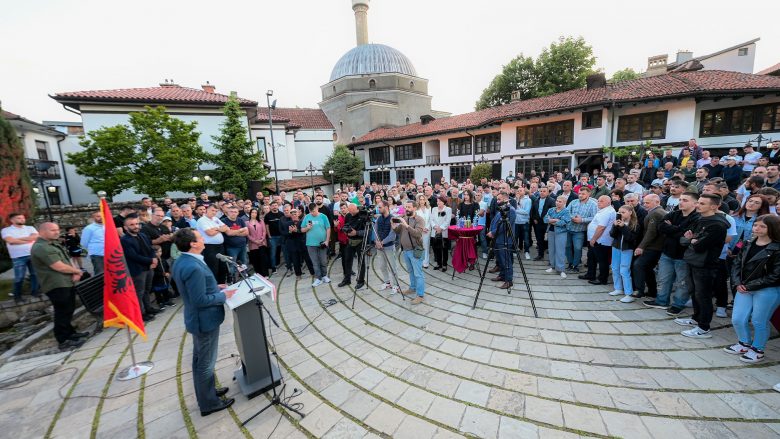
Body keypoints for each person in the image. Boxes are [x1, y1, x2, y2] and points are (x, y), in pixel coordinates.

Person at [171, 228, 235, 416]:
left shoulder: (184, 260)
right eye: (200, 238)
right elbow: (199, 300)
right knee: (205, 363)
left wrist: (215, 286)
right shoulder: (192, 266)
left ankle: (208, 392)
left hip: (198, 319)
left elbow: (198, 289)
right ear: (192, 243)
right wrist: (222, 295)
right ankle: (209, 403)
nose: (204, 240)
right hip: (203, 320)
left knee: (201, 360)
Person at [726, 215, 780, 363]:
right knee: (737, 318)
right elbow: (736, 264)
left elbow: (776, 275)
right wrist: (737, 283)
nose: (757, 228)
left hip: (767, 289)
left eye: (763, 226)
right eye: (756, 225)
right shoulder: (747, 242)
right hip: (743, 287)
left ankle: (758, 349)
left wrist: (748, 286)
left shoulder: (777, 248)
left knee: (759, 321)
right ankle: (743, 343)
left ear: (772, 228)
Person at [676, 194, 730, 339]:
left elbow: (700, 246)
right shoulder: (700, 218)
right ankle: (696, 318)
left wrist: (692, 240)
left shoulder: (717, 225)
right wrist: (691, 240)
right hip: (693, 261)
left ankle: (703, 327)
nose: (697, 205)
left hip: (705, 264)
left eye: (702, 203)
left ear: (714, 206)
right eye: (698, 202)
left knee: (703, 295)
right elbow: (684, 239)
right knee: (694, 292)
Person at [29, 222, 88, 350]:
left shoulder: (52, 244)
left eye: (57, 230)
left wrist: (74, 271)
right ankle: (63, 340)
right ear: (42, 231)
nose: (57, 232)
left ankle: (70, 333)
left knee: (69, 309)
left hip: (65, 282)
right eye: (52, 230)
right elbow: (58, 266)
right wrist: (77, 271)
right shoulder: (41, 247)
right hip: (56, 284)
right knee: (62, 311)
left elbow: (66, 260)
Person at [646, 192, 701, 314]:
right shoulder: (673, 213)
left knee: (682, 283)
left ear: (695, 203)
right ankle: (662, 301)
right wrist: (680, 229)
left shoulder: (697, 218)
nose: (681, 202)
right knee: (663, 279)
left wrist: (672, 228)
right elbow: (661, 227)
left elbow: (688, 236)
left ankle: (678, 304)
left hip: (683, 256)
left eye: (685, 200)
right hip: (667, 253)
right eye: (680, 199)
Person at [121, 215, 160, 321]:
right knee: (139, 292)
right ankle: (141, 314)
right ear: (125, 227)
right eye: (132, 225)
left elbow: (150, 249)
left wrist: (154, 258)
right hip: (137, 270)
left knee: (147, 289)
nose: (135, 226)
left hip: (149, 267)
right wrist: (151, 261)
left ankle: (148, 308)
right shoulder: (124, 240)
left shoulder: (143, 235)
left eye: (137, 224)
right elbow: (133, 256)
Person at [632, 194, 665, 297]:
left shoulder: (656, 213)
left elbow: (651, 232)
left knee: (638, 265)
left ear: (657, 202)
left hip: (653, 246)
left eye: (648, 202)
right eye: (644, 202)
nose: (645, 205)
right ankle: (652, 291)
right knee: (647, 268)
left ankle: (639, 290)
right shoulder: (655, 212)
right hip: (653, 246)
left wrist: (641, 246)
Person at [2, 213, 39, 304]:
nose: (22, 219)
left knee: (35, 275)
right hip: (18, 257)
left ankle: (35, 292)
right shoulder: (6, 230)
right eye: (19, 218)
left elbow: (36, 237)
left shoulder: (30, 228)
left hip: (33, 254)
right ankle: (17, 296)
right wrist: (29, 239)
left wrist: (17, 240)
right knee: (19, 277)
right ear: (12, 220)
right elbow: (10, 241)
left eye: (23, 218)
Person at [393, 201, 426, 304]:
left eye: (409, 207)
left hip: (415, 250)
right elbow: (398, 231)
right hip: (405, 250)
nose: (407, 209)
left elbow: (417, 234)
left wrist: (406, 225)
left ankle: (420, 295)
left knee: (418, 274)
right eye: (406, 207)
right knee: (411, 271)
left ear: (414, 208)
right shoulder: (405, 218)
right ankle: (412, 288)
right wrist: (393, 225)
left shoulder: (419, 220)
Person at [609, 205, 640, 302]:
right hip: (616, 247)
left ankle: (629, 293)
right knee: (614, 268)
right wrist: (615, 226)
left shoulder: (635, 225)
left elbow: (630, 238)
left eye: (623, 212)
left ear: (630, 212)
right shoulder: (618, 222)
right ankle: (618, 288)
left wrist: (623, 227)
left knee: (624, 270)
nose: (621, 214)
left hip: (627, 249)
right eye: (619, 212)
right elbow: (612, 235)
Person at [583, 196, 616, 285]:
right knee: (591, 257)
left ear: (609, 202)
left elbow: (601, 227)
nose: (599, 202)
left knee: (602, 261)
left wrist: (594, 239)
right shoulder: (604, 210)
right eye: (598, 201)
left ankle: (602, 279)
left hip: (601, 241)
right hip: (597, 240)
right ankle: (590, 274)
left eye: (602, 201)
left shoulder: (607, 212)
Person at [488, 192, 516, 289]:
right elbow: (494, 221)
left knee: (506, 261)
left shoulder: (511, 210)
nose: (497, 201)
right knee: (500, 260)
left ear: (505, 199)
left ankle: (509, 280)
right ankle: (502, 275)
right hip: (497, 239)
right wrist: (491, 230)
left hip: (504, 240)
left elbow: (504, 226)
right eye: (497, 199)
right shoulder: (501, 209)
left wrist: (493, 233)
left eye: (499, 199)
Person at [565, 187, 597, 272]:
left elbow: (594, 217)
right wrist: (572, 217)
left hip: (580, 230)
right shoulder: (573, 202)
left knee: (578, 248)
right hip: (569, 228)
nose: (580, 195)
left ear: (589, 194)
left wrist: (582, 220)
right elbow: (566, 211)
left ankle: (575, 265)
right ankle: (570, 263)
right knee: (567, 246)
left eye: (583, 194)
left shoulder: (593, 204)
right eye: (579, 193)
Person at [196, 205, 229, 283]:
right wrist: (220, 229)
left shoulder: (215, 219)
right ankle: (214, 286)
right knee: (213, 267)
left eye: (216, 211)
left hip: (220, 247)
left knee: (222, 267)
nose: (214, 212)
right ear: (207, 210)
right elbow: (209, 233)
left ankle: (222, 284)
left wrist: (216, 229)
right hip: (210, 247)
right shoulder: (202, 220)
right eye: (212, 210)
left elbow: (226, 227)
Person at [338, 203, 367, 288]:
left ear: (357, 209)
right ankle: (347, 279)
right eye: (349, 211)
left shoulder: (363, 216)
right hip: (350, 241)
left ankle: (361, 281)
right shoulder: (348, 215)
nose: (351, 213)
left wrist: (356, 232)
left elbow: (368, 231)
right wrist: (346, 231)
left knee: (361, 262)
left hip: (360, 241)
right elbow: (346, 225)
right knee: (347, 260)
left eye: (353, 211)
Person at [302, 202, 331, 287]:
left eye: (313, 211)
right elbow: (302, 229)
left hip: (322, 243)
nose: (312, 213)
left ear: (317, 208)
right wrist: (307, 228)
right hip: (310, 243)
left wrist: (327, 241)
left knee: (323, 261)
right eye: (310, 211)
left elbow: (328, 228)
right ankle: (318, 278)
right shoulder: (307, 217)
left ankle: (324, 275)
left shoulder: (323, 216)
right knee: (315, 262)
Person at [543, 195, 571, 278]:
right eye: (557, 201)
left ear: (564, 203)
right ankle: (552, 266)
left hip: (561, 232)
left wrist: (551, 220)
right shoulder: (551, 209)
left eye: (560, 201)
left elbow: (564, 222)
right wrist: (555, 220)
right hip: (551, 231)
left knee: (560, 251)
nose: (557, 202)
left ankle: (561, 269)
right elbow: (545, 219)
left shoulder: (566, 211)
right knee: (551, 250)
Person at [374, 200, 398, 291]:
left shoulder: (393, 218)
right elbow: (375, 230)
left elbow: (393, 235)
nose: (378, 209)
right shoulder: (379, 218)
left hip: (389, 247)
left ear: (386, 207)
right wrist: (376, 241)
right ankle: (387, 282)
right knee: (382, 266)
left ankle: (395, 285)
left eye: (380, 207)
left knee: (392, 267)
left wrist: (382, 242)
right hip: (379, 247)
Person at [280, 208, 309, 280]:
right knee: (295, 260)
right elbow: (285, 234)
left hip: (302, 243)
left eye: (295, 214)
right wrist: (290, 232)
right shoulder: (287, 224)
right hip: (292, 244)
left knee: (307, 259)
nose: (294, 215)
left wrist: (296, 231)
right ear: (290, 215)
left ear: (298, 214)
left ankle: (313, 272)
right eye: (292, 214)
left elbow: (304, 232)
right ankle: (298, 275)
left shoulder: (302, 222)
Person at [221, 206, 249, 276]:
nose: (233, 213)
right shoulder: (224, 221)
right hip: (231, 247)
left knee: (244, 262)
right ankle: (232, 279)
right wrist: (240, 231)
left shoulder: (240, 220)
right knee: (232, 264)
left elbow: (246, 232)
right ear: (227, 212)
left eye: (235, 212)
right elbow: (229, 233)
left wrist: (234, 233)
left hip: (242, 245)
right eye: (231, 212)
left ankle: (244, 275)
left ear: (238, 213)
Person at [531, 186, 555, 261]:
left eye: (544, 191)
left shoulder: (552, 200)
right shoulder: (536, 200)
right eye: (541, 191)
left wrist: (550, 220)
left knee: (550, 239)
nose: (542, 192)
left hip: (548, 223)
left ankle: (552, 257)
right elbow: (533, 211)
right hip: (538, 222)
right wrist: (534, 218)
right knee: (539, 239)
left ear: (548, 192)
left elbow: (554, 211)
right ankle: (540, 255)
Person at [430, 196, 452, 271]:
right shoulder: (434, 209)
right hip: (435, 231)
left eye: (439, 201)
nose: (438, 202)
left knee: (444, 249)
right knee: (436, 249)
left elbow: (447, 221)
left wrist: (441, 228)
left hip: (444, 232)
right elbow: (431, 219)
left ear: (443, 202)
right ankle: (439, 264)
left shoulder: (448, 209)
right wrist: (435, 227)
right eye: (437, 201)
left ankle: (444, 264)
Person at [80, 211, 105, 275]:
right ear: (93, 218)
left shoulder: (106, 226)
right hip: (97, 254)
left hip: (108, 253)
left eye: (102, 216)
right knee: (100, 273)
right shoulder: (89, 228)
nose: (101, 218)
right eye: (98, 216)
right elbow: (83, 242)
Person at [246, 208, 270, 277]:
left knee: (263, 259)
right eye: (252, 212)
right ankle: (259, 274)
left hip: (262, 243)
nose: (254, 214)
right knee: (255, 260)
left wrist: (261, 239)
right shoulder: (247, 223)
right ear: (250, 213)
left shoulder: (261, 221)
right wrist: (255, 241)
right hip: (253, 244)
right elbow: (248, 234)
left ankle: (265, 274)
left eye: (255, 213)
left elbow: (264, 231)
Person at [264, 201, 284, 275]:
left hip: (282, 236)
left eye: (276, 205)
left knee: (285, 251)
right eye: (273, 206)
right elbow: (267, 226)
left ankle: (289, 265)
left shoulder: (281, 214)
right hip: (273, 237)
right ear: (270, 207)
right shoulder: (267, 215)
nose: (275, 207)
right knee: (273, 253)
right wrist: (269, 236)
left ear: (278, 206)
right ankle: (273, 267)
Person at [514, 187, 532, 260]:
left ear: (524, 192)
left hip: (524, 222)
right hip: (516, 222)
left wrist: (516, 210)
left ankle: (527, 252)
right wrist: (517, 201)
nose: (518, 192)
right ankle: (515, 250)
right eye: (517, 191)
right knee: (515, 237)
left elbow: (526, 212)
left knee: (526, 238)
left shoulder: (528, 200)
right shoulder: (515, 200)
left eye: (520, 190)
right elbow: (512, 209)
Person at [415, 194, 432, 268]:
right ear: (418, 201)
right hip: (419, 230)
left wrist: (427, 228)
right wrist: (422, 228)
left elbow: (430, 219)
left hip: (427, 231)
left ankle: (426, 263)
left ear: (425, 200)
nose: (422, 201)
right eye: (420, 199)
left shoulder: (429, 208)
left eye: (423, 199)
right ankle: (419, 262)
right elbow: (416, 221)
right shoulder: (416, 209)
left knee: (426, 246)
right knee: (419, 246)